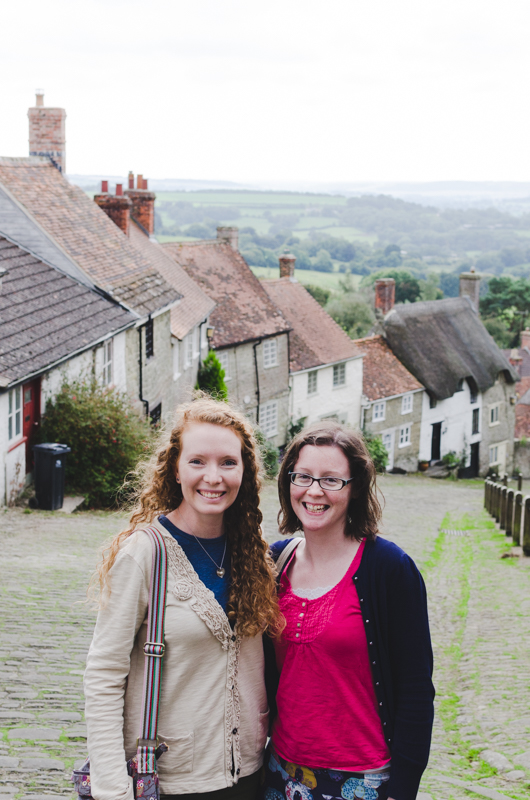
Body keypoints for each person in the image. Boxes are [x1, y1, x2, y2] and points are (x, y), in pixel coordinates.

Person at [84, 396, 282, 800]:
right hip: (170, 779)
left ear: (244, 471)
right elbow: (104, 674)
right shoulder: (145, 554)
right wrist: (112, 787)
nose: (214, 477)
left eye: (228, 462)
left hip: (248, 774)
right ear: (175, 469)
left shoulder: (252, 551)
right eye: (197, 461)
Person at [263, 422, 435, 800]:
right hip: (281, 772)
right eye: (303, 476)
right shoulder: (275, 562)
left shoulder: (389, 568)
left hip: (362, 780)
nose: (314, 491)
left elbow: (416, 690)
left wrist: (403, 788)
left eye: (331, 480)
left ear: (355, 487)